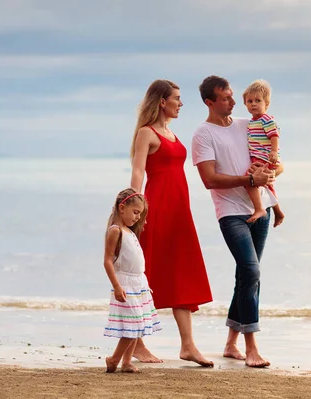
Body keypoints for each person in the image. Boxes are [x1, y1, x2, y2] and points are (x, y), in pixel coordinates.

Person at [191, 75, 283, 368]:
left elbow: (275, 161)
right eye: (226, 98)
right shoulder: (203, 134)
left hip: (262, 210)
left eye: (233, 96)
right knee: (251, 271)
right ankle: (252, 347)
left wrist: (274, 170)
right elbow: (209, 180)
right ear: (210, 102)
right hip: (231, 212)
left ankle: (231, 343)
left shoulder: (248, 124)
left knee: (246, 276)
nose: (234, 102)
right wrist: (248, 179)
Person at [129, 79, 214, 367]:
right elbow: (138, 171)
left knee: (182, 272)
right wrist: (134, 207)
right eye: (176, 98)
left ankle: (188, 346)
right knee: (146, 274)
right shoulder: (146, 133)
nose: (180, 103)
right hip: (156, 210)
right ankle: (137, 344)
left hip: (179, 211)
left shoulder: (172, 133)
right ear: (161, 101)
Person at [103, 188, 161, 373]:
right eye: (135, 212)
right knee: (133, 324)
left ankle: (126, 362)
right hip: (125, 284)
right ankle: (113, 359)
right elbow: (107, 261)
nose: (137, 217)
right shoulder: (115, 231)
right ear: (122, 208)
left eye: (140, 214)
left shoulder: (129, 231)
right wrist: (116, 286)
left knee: (139, 324)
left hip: (138, 283)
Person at [243, 79, 285, 226]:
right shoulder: (252, 122)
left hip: (265, 158)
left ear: (266, 104)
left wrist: (273, 152)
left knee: (250, 181)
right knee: (267, 186)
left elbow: (274, 135)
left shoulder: (266, 119)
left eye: (257, 100)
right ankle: (278, 212)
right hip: (259, 158)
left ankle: (259, 208)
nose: (253, 104)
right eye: (249, 101)